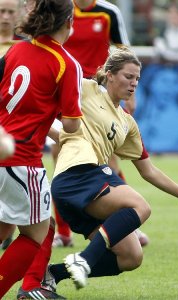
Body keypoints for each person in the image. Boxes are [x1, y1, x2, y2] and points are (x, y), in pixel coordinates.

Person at [17, 46, 178, 299]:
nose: (133, 84)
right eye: (128, 76)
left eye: (137, 79)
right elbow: (43, 99)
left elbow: (149, 170)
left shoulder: (127, 122)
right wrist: (58, 134)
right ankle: (84, 260)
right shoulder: (87, 89)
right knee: (140, 206)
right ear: (109, 75)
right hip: (76, 175)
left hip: (86, 188)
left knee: (131, 256)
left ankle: (52, 276)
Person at [48, 0, 147, 248]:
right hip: (68, 91)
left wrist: (130, 94)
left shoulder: (108, 12)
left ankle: (126, 224)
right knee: (60, 153)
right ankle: (63, 233)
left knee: (108, 160)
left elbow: (124, 52)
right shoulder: (62, 10)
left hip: (99, 92)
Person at [0, 0, 82, 297]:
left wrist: (51, 124)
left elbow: (19, 106)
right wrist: (69, 127)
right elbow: (72, 124)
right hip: (22, 161)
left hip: (2, 149)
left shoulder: (16, 50)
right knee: (37, 233)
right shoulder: (65, 62)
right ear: (69, 21)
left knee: (3, 227)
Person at [0, 0, 24, 251]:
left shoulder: (23, 46)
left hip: (16, 125)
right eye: (1, 12)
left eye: (10, 12)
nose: (5, 17)